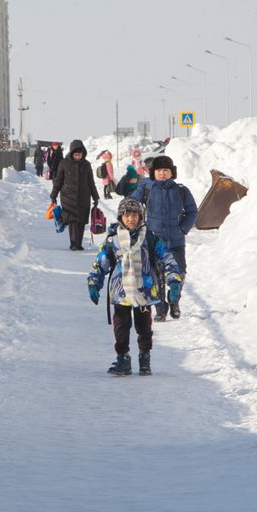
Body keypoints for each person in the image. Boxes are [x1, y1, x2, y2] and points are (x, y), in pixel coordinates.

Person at [87, 198, 182, 376]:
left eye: (135, 215)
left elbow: (167, 259)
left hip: (144, 292)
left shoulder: (150, 238)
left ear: (141, 217)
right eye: (127, 215)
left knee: (144, 327)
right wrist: (94, 282)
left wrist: (174, 281)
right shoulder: (112, 240)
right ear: (121, 217)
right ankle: (123, 359)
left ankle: (144, 359)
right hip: (121, 291)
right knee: (121, 327)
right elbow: (101, 262)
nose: (131, 219)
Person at [130, 155, 198, 321]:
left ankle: (174, 301)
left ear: (172, 173)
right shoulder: (146, 188)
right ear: (154, 173)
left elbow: (192, 211)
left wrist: (183, 228)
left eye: (166, 171)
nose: (162, 174)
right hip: (154, 241)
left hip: (176, 241)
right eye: (159, 170)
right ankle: (161, 308)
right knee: (156, 275)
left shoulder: (181, 190)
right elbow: (131, 205)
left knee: (179, 272)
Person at [50, 139, 100, 250]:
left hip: (84, 197)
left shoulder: (86, 165)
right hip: (68, 197)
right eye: (76, 154)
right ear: (72, 153)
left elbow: (91, 182)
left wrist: (95, 196)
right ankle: (73, 244)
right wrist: (53, 195)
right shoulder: (64, 163)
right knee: (72, 221)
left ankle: (79, 243)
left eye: (80, 155)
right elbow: (58, 181)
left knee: (81, 221)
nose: (78, 157)